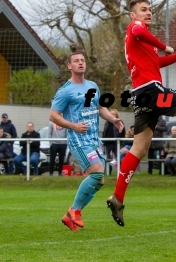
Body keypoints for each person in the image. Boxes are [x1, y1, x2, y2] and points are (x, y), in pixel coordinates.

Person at [107, 0, 176, 227]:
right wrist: (164, 45)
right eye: (143, 10)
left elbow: (158, 63)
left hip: (140, 95)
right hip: (151, 91)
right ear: (133, 15)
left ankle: (118, 197)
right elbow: (140, 32)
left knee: (139, 148)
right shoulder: (135, 28)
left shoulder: (142, 42)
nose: (148, 12)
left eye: (150, 9)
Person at [50, 51, 123, 231]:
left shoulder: (92, 86)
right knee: (97, 173)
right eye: (76, 61)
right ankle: (74, 210)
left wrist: (112, 119)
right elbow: (53, 116)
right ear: (69, 66)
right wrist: (73, 126)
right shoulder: (65, 90)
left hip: (93, 140)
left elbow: (100, 108)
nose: (80, 63)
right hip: (78, 140)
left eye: (82, 60)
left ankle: (71, 214)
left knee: (99, 181)